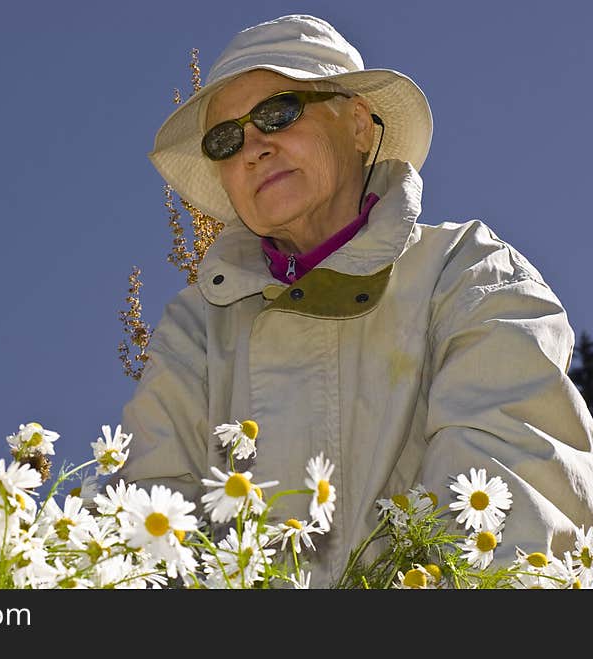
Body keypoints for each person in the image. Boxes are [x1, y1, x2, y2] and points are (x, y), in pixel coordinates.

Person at [114, 13, 593, 587]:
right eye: (225, 140)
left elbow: (507, 493)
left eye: (278, 112)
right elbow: (149, 527)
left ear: (360, 125)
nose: (253, 148)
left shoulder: (469, 270)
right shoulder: (193, 330)